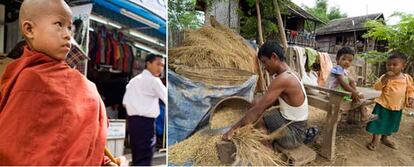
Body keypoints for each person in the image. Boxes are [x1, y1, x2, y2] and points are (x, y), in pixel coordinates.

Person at [0, 0, 110, 165]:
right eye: (59, 24)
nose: (68, 35)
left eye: (69, 27)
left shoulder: (79, 81)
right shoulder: (26, 79)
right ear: (29, 30)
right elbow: (14, 146)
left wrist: (106, 161)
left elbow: (84, 140)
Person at [223, 40, 308, 149]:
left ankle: (267, 149)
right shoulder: (291, 73)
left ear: (274, 57)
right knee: (257, 103)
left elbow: (258, 110)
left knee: (260, 114)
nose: (264, 67)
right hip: (298, 129)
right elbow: (268, 103)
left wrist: (233, 129)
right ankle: (267, 139)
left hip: (293, 136)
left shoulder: (283, 79)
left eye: (264, 62)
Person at [123, 54, 167, 166]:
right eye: (158, 64)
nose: (160, 68)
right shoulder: (154, 81)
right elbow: (168, 98)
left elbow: (125, 103)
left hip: (133, 122)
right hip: (146, 123)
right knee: (145, 155)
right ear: (148, 63)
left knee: (137, 154)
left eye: (162, 65)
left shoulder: (133, 81)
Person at [366, 52, 414, 151]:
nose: (391, 67)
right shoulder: (385, 77)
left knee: (390, 123)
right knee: (378, 123)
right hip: (383, 105)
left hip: (397, 107)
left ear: (403, 66)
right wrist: (385, 78)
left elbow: (410, 89)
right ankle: (375, 140)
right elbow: (377, 87)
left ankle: (385, 138)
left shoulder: (407, 78)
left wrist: (410, 98)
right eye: (388, 64)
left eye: (395, 64)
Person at [325, 47, 377, 123]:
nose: (347, 62)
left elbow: (349, 82)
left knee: (357, 93)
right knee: (359, 98)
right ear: (337, 60)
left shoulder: (344, 71)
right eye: (344, 59)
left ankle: (364, 115)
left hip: (340, 94)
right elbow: (343, 83)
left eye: (350, 60)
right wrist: (355, 92)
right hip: (334, 94)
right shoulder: (337, 69)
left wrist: (355, 92)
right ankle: (364, 115)